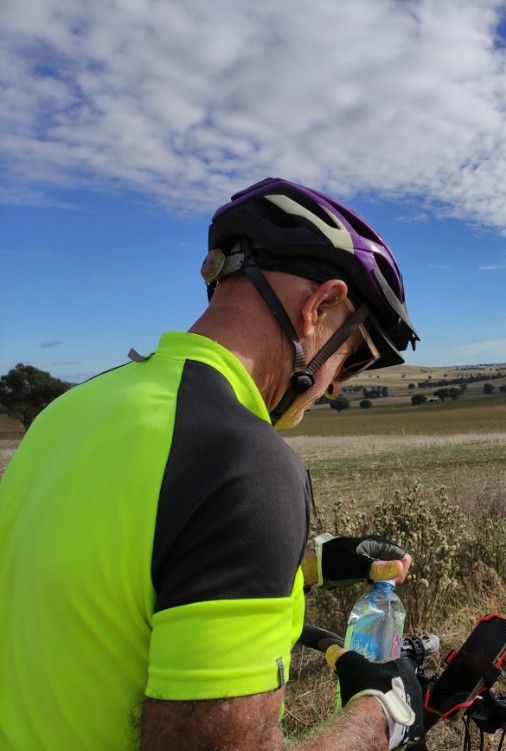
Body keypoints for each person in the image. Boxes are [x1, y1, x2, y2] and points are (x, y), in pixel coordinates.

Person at [0, 178, 424, 750]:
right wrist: (384, 717)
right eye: (352, 357)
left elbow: (124, 571)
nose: (332, 389)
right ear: (320, 306)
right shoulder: (246, 464)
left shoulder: (69, 411)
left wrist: (317, 562)